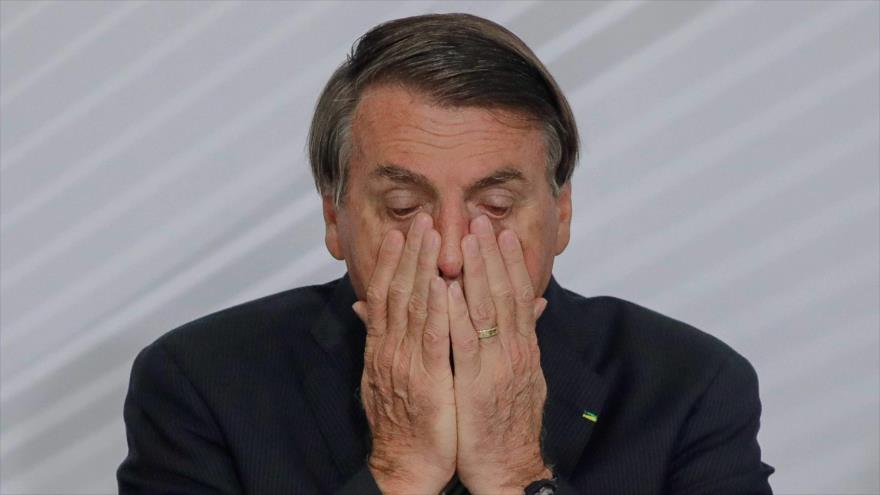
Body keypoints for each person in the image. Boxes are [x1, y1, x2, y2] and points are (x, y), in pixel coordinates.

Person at [117, 13, 774, 495]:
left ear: (561, 213)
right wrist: (398, 471)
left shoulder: (691, 385)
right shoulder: (200, 382)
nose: (453, 254)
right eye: (405, 207)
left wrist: (517, 472)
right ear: (334, 216)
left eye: (495, 206)